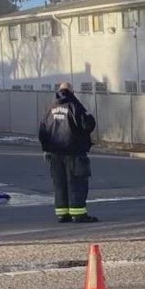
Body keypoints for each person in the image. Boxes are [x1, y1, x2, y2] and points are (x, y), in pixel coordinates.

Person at [38, 82, 98, 222]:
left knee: (60, 183)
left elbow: (43, 131)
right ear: (72, 91)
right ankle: (78, 214)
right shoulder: (73, 106)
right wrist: (89, 116)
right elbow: (87, 125)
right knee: (76, 182)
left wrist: (46, 149)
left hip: (54, 153)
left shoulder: (50, 108)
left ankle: (62, 214)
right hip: (73, 152)